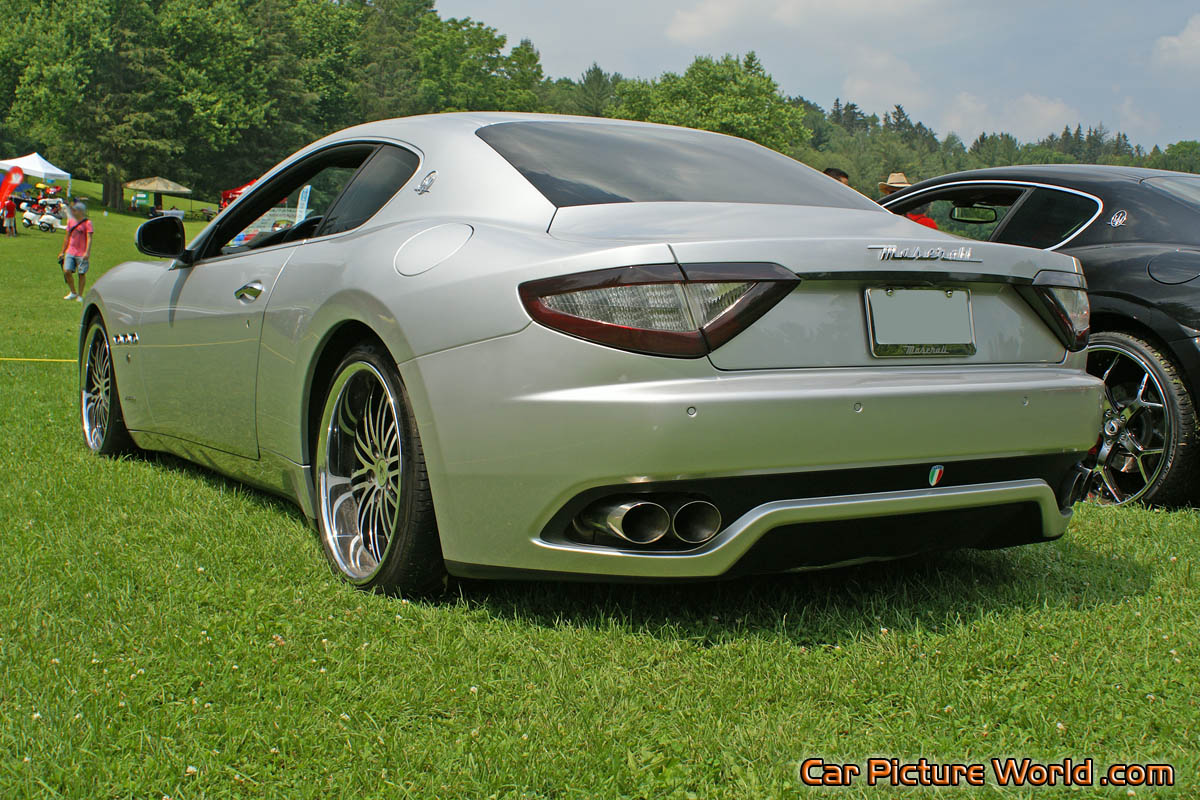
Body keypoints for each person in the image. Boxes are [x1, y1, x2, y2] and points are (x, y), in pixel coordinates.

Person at [58, 202, 92, 302]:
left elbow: (89, 238)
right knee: (67, 271)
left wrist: (87, 252)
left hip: (82, 253)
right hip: (70, 251)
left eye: (75, 210)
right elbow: (67, 237)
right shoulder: (70, 221)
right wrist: (62, 251)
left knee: (81, 273)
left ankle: (80, 295)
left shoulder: (87, 223)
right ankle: (73, 292)